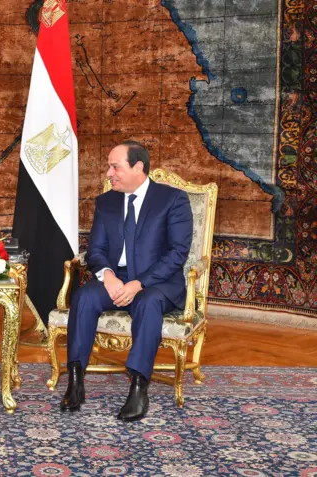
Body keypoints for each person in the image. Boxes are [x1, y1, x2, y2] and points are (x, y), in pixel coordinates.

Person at [61, 140, 193, 421]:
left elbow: (177, 253)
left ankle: (138, 387)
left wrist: (139, 283)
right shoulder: (106, 202)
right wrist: (107, 276)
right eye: (109, 166)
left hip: (156, 283)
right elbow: (95, 250)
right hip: (115, 280)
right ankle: (75, 380)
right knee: (83, 297)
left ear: (138, 167)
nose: (109, 173)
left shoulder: (172, 200)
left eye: (115, 166)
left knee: (148, 303)